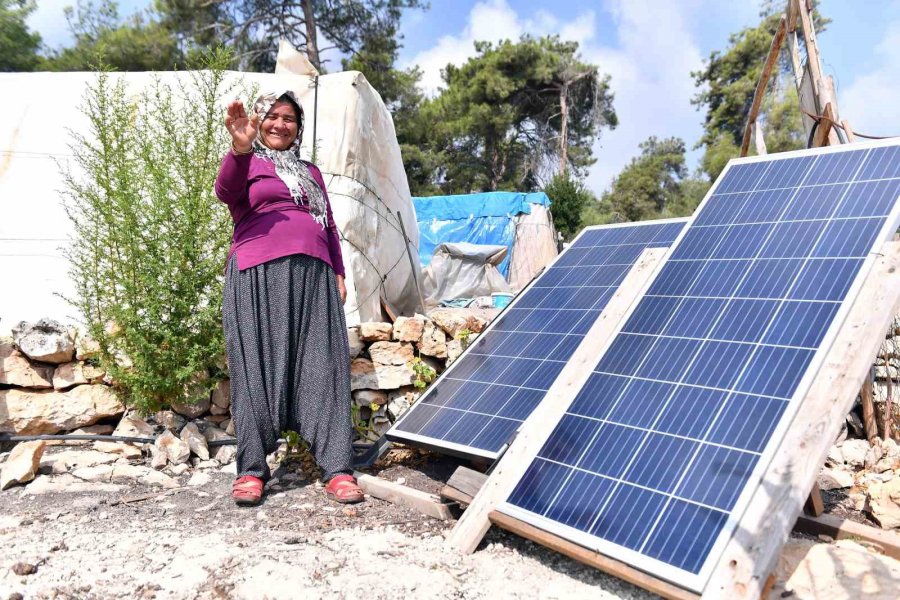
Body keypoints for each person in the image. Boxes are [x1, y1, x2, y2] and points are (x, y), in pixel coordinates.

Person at [215, 90, 364, 506]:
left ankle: (336, 467)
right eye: (272, 117)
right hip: (257, 272)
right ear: (258, 122)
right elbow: (226, 192)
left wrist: (338, 270)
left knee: (325, 365)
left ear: (298, 128)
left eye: (289, 119)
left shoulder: (310, 172)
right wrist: (240, 148)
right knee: (256, 368)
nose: (280, 125)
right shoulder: (249, 164)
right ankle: (251, 470)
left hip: (314, 274)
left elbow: (329, 225)